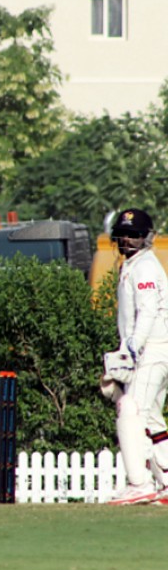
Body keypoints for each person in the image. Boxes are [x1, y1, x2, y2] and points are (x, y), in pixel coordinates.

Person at [101, 208, 168, 505]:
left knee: (131, 408)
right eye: (124, 234)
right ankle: (166, 483)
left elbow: (148, 311)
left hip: (153, 349)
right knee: (152, 418)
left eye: (135, 235)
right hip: (151, 350)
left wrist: (131, 349)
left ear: (146, 238)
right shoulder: (132, 265)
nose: (128, 240)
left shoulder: (145, 268)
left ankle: (138, 483)